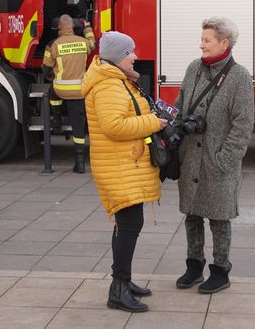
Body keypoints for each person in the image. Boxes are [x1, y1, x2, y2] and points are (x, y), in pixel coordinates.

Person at [82, 31, 168, 312]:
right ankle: (118, 289)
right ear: (119, 57)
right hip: (118, 165)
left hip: (123, 164)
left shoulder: (117, 80)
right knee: (129, 224)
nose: (135, 56)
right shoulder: (108, 86)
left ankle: (123, 281)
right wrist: (154, 122)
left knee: (127, 224)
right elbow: (114, 127)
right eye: (130, 52)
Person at [174, 17, 254, 294]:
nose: (201, 45)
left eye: (206, 40)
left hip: (217, 161)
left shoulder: (240, 77)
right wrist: (174, 136)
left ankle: (221, 271)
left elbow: (243, 126)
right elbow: (180, 105)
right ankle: (193, 266)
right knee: (192, 215)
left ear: (224, 43)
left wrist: (224, 160)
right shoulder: (193, 69)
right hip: (191, 158)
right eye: (202, 39)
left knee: (219, 218)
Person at [42, 14, 95, 173]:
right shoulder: (84, 42)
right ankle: (80, 163)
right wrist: (87, 28)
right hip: (80, 91)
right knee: (78, 125)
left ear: (59, 28)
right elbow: (93, 43)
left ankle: (56, 120)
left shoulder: (53, 44)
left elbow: (45, 68)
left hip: (61, 89)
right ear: (72, 27)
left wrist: (55, 75)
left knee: (52, 91)